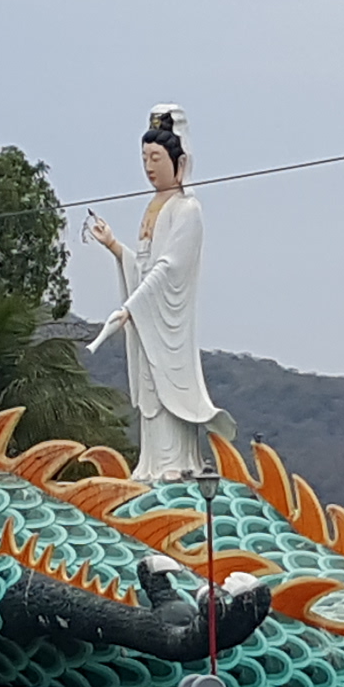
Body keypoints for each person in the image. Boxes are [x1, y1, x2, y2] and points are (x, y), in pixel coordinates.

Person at [87, 105, 222, 480]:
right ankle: (151, 464)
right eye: (144, 158)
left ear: (180, 162)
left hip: (167, 320)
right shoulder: (153, 206)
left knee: (168, 386)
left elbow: (169, 268)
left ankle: (176, 464)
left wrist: (132, 307)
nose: (148, 166)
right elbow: (144, 266)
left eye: (156, 158)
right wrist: (115, 247)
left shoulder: (187, 209)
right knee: (149, 389)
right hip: (146, 315)